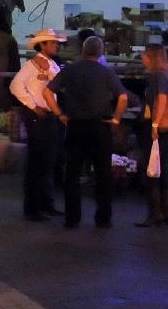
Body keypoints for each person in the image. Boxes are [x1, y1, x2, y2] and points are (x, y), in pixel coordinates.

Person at [48, 34, 128, 229]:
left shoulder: (71, 70)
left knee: (73, 172)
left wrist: (59, 114)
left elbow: (47, 92)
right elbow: (123, 97)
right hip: (100, 126)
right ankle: (103, 217)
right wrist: (116, 119)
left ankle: (72, 218)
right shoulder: (106, 72)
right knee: (102, 172)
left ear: (82, 51)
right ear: (100, 52)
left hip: (75, 125)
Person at [9, 28, 65, 219]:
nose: (56, 45)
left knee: (46, 161)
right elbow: (15, 85)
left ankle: (44, 203)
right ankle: (34, 207)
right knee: (38, 161)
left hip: (46, 115)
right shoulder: (33, 65)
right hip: (39, 116)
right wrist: (33, 105)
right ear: (43, 45)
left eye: (56, 43)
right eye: (52, 43)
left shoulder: (48, 64)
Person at [133, 44, 168, 227]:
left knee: (152, 167)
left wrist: (154, 124)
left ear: (150, 57)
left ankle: (154, 213)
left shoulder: (156, 76)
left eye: (144, 56)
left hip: (156, 127)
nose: (143, 59)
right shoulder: (167, 74)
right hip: (167, 127)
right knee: (163, 165)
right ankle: (165, 210)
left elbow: (161, 100)